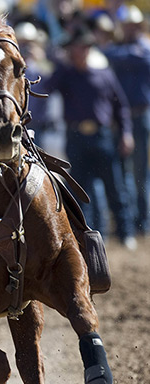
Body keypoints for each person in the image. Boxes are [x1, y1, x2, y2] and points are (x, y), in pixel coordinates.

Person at [42, 26, 137, 249]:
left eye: (84, 47)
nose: (81, 52)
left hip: (102, 136)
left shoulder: (104, 74)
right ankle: (84, 235)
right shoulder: (66, 74)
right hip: (76, 137)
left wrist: (126, 133)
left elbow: (120, 107)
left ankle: (126, 233)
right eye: (77, 48)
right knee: (79, 190)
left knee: (114, 185)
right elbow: (47, 87)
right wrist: (61, 65)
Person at [104, 5, 150, 235]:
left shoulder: (141, 49)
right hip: (121, 118)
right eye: (127, 26)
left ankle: (143, 219)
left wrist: (123, 54)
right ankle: (132, 222)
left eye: (133, 26)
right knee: (123, 171)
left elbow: (138, 59)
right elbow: (113, 56)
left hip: (141, 115)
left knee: (141, 170)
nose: (130, 29)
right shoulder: (126, 50)